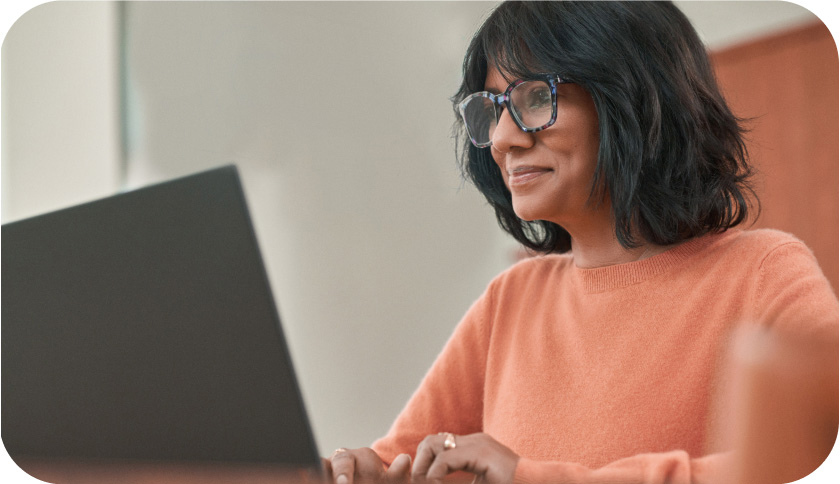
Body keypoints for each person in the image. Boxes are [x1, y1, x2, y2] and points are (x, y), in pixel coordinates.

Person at [324, 1, 839, 483]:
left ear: (637, 97)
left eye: (536, 97)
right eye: (494, 107)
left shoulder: (764, 271)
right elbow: (403, 461)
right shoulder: (511, 298)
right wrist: (362, 471)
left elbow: (813, 462)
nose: (504, 138)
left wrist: (533, 476)